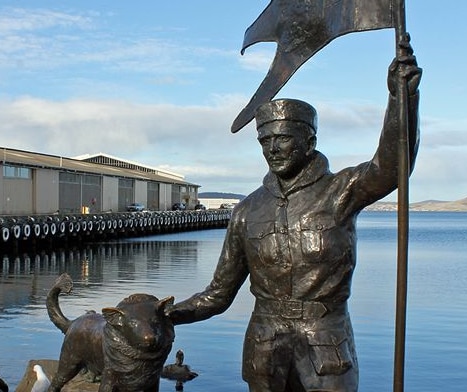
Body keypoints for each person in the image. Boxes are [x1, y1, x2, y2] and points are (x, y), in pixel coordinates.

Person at [166, 40, 421, 392]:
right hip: (265, 348)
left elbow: (391, 166)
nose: (273, 149)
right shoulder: (246, 211)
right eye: (265, 141)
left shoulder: (340, 191)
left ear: (309, 141)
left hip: (325, 346)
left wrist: (401, 99)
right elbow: (218, 295)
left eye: (282, 139)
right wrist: (164, 315)